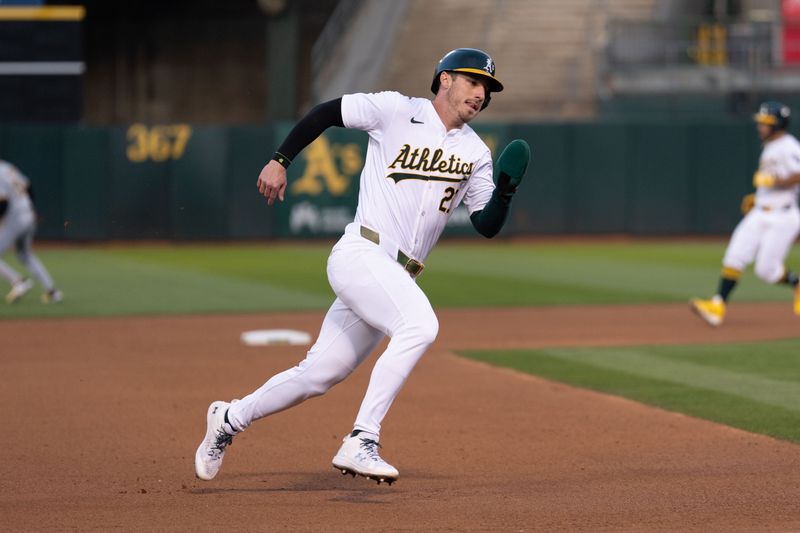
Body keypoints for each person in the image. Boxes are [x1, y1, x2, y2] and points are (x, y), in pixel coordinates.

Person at [194, 48, 530, 484]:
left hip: (396, 274)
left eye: (487, 88)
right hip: (363, 253)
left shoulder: (475, 152)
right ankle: (362, 437)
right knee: (420, 325)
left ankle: (228, 418)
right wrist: (281, 160)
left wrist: (504, 192)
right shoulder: (396, 110)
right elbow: (327, 112)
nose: (481, 93)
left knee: (318, 374)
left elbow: (486, 224)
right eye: (473, 81)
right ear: (445, 79)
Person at [691, 101, 800, 326]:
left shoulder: (789, 146)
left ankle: (797, 283)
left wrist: (775, 182)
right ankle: (717, 305)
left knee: (766, 271)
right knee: (735, 255)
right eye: (760, 123)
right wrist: (759, 197)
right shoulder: (770, 146)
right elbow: (770, 183)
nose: (760, 127)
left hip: (783, 217)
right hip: (761, 213)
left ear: (778, 124)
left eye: (766, 123)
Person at [0, 159, 63, 304]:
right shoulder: (8, 167)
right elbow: (28, 187)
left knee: (24, 254)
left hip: (14, 217)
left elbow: (3, 204)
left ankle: (18, 281)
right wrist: (32, 208)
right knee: (25, 254)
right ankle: (52, 291)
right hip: (28, 214)